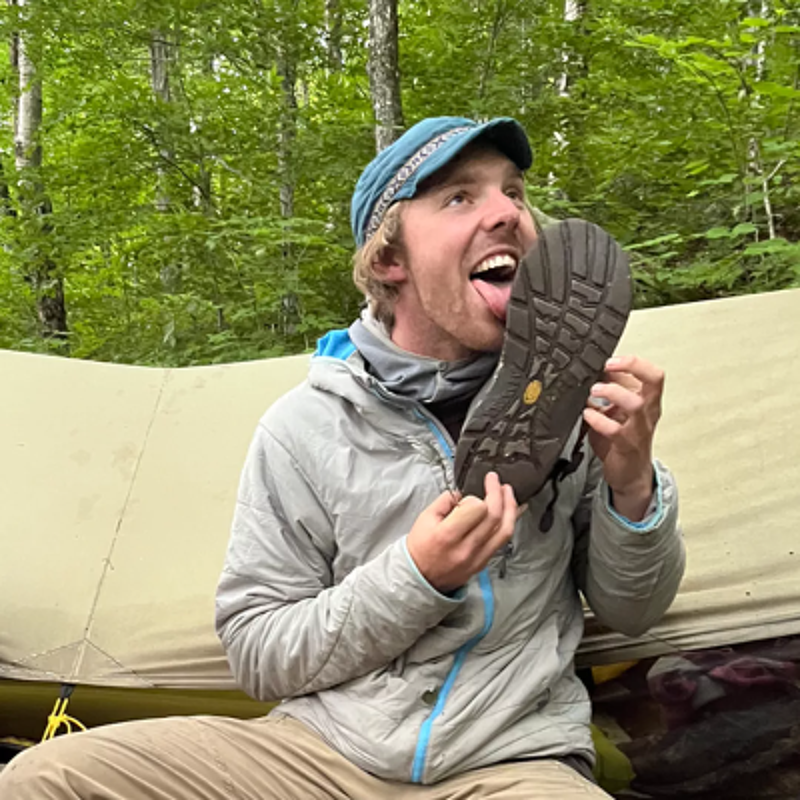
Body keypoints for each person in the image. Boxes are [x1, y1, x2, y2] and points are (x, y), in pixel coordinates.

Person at [0, 116, 685, 799]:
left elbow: (635, 611)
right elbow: (258, 653)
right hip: (322, 755)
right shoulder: (304, 428)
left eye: (513, 192)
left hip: (510, 760)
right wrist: (415, 577)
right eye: (459, 196)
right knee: (46, 779)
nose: (507, 212)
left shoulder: (567, 408)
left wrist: (632, 484)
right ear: (389, 260)